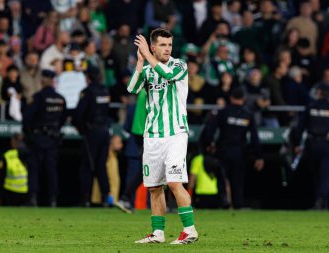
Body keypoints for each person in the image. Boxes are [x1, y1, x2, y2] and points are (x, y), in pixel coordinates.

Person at [128, 28, 198, 244]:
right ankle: (158, 233)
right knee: (154, 187)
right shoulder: (148, 71)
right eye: (163, 45)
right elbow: (132, 89)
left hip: (175, 133)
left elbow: (167, 74)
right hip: (152, 136)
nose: (168, 48)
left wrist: (147, 57)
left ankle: (190, 230)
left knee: (175, 183)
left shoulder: (179, 65)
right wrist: (140, 63)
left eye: (169, 44)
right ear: (153, 47)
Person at [206, 88, 264, 209]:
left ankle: (224, 203)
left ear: (231, 97)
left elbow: (210, 131)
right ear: (243, 99)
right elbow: (254, 137)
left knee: (222, 179)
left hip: (223, 150)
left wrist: (210, 144)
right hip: (240, 152)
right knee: (237, 180)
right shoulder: (248, 114)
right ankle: (238, 204)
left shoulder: (223, 112)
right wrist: (259, 156)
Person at [294, 83, 329, 209]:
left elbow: (300, 127)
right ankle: (322, 201)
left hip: (312, 144)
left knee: (316, 174)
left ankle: (319, 201)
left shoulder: (310, 107)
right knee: (325, 174)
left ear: (319, 93)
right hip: (327, 145)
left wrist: (296, 144)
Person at [23, 69, 67, 207]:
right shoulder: (61, 99)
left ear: (43, 81)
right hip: (53, 139)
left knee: (34, 168)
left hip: (38, 138)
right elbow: (63, 119)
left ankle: (33, 198)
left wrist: (29, 134)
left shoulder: (38, 97)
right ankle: (52, 200)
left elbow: (27, 118)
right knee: (51, 170)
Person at [73, 65, 111, 207]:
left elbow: (79, 114)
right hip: (104, 131)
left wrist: (82, 129)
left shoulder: (87, 92)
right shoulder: (105, 90)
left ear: (88, 77)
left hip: (92, 132)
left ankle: (85, 199)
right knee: (102, 166)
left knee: (87, 166)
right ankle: (105, 198)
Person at [0, 134, 28, 206]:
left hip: (19, 191)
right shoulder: (7, 155)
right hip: (12, 191)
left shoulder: (26, 154)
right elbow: (0, 176)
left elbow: (0, 177)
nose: (13, 142)